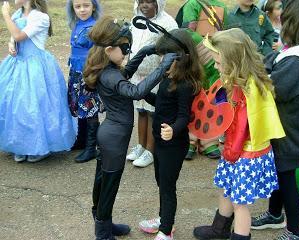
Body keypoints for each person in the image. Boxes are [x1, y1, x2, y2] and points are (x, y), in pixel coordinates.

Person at [83, 15, 177, 240]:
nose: (127, 53)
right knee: (109, 185)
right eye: (125, 49)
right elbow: (136, 92)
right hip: (114, 139)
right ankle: (103, 232)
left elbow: (127, 74)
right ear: (108, 50)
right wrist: (163, 67)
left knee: (102, 181)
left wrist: (144, 52)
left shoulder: (110, 71)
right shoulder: (110, 76)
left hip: (111, 136)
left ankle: (103, 220)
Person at [193, 28, 285, 240]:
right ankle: (220, 229)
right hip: (236, 150)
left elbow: (243, 126)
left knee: (240, 204)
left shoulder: (247, 88)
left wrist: (231, 152)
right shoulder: (242, 80)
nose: (215, 67)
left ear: (233, 61)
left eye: (218, 62)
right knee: (227, 189)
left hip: (245, 154)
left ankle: (240, 236)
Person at [251, 0, 299, 239]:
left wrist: (259, 78)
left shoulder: (298, 60)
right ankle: (274, 214)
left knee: (287, 180)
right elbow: (274, 61)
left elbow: (275, 89)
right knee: (280, 173)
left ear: (295, 25)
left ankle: (294, 231)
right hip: (295, 130)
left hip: (292, 133)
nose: (281, 22)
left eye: (286, 19)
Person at [138, 28, 203, 240]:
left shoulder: (185, 84)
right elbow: (162, 104)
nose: (162, 61)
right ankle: (163, 218)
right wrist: (142, 92)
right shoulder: (169, 76)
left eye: (166, 57)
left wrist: (173, 129)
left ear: (182, 57)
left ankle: (166, 231)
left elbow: (184, 116)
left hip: (174, 144)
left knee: (167, 186)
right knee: (161, 180)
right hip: (161, 141)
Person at [0, 0, 76, 162]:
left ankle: (39, 147)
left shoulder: (40, 17)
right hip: (17, 64)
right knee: (16, 105)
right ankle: (20, 144)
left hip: (35, 66)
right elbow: (14, 38)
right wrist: (11, 45)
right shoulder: (18, 14)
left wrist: (5, 15)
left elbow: (19, 35)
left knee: (34, 105)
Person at [126, 0, 177, 168]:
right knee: (140, 110)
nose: (144, 5)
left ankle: (150, 149)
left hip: (156, 76)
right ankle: (140, 145)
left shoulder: (167, 23)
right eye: (141, 1)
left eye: (149, 1)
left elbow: (173, 48)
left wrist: (166, 72)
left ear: (159, 3)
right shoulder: (136, 20)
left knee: (152, 112)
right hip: (138, 75)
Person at [175, 0, 228, 160]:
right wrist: (204, 48)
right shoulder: (193, 4)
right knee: (193, 99)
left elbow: (226, 32)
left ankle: (209, 140)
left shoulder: (223, 6)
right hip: (196, 59)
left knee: (214, 100)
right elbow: (188, 31)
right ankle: (190, 140)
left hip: (215, 61)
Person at [66, 0, 103, 163]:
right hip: (76, 73)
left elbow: (98, 54)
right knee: (79, 107)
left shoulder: (95, 27)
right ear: (73, 8)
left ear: (93, 6)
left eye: (86, 6)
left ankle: (91, 147)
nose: (82, 10)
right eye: (78, 6)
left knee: (90, 109)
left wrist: (92, 78)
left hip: (89, 74)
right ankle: (81, 140)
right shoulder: (77, 24)